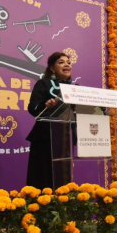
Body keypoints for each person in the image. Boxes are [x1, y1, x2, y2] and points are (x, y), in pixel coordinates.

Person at [26, 52, 72, 189]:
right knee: (42, 178)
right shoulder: (43, 84)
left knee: (62, 180)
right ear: (52, 68)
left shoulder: (74, 89)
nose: (67, 64)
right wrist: (46, 105)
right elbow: (32, 107)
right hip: (44, 138)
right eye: (61, 62)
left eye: (68, 62)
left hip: (64, 140)